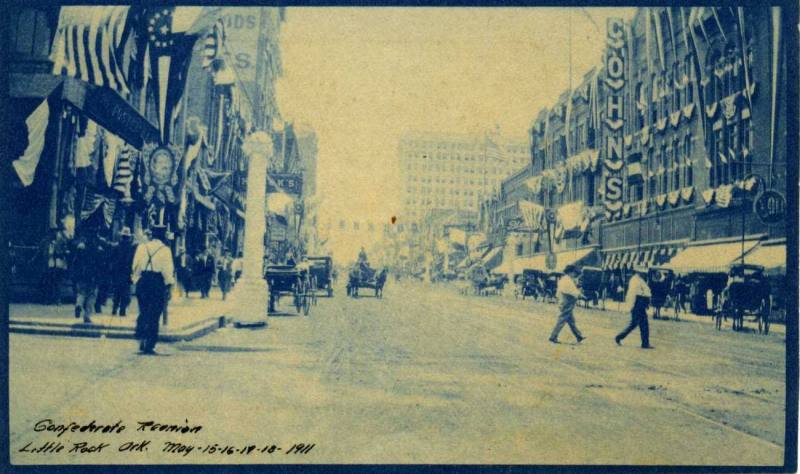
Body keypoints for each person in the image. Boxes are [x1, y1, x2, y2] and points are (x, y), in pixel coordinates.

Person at [132, 223, 174, 355]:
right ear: (163, 236)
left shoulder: (142, 247)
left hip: (143, 281)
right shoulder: (165, 250)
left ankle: (141, 339)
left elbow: (135, 265)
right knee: (155, 314)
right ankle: (150, 344)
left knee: (143, 311)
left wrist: (136, 279)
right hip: (157, 282)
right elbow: (168, 271)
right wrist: (169, 285)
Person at [615, 265, 653, 349]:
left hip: (640, 303)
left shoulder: (639, 280)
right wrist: (631, 306)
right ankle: (644, 343)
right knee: (642, 324)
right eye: (643, 272)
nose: (644, 273)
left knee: (636, 323)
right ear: (638, 272)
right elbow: (632, 294)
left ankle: (620, 337)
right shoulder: (635, 280)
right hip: (637, 304)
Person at [549, 265, 585, 344]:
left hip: (565, 302)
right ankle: (553, 336)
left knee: (571, 321)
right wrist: (580, 295)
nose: (574, 274)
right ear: (570, 272)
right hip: (567, 303)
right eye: (574, 273)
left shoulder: (565, 279)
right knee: (562, 320)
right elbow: (571, 291)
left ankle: (579, 336)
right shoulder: (567, 280)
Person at [71, 233, 100, 323]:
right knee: (92, 295)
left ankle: (78, 304)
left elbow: (75, 262)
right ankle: (87, 315)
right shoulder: (97, 249)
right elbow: (99, 265)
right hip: (92, 276)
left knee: (81, 293)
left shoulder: (80, 248)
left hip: (81, 275)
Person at [111, 227, 136, 316]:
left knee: (116, 291)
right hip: (127, 272)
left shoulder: (117, 246)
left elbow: (112, 259)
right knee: (125, 292)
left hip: (117, 272)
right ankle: (122, 309)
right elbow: (133, 261)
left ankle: (114, 308)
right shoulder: (131, 248)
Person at [42, 227, 70, 305]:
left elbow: (65, 251)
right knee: (51, 282)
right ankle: (50, 299)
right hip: (51, 264)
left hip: (57, 265)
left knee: (56, 282)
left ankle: (56, 299)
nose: (54, 234)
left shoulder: (61, 241)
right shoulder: (47, 242)